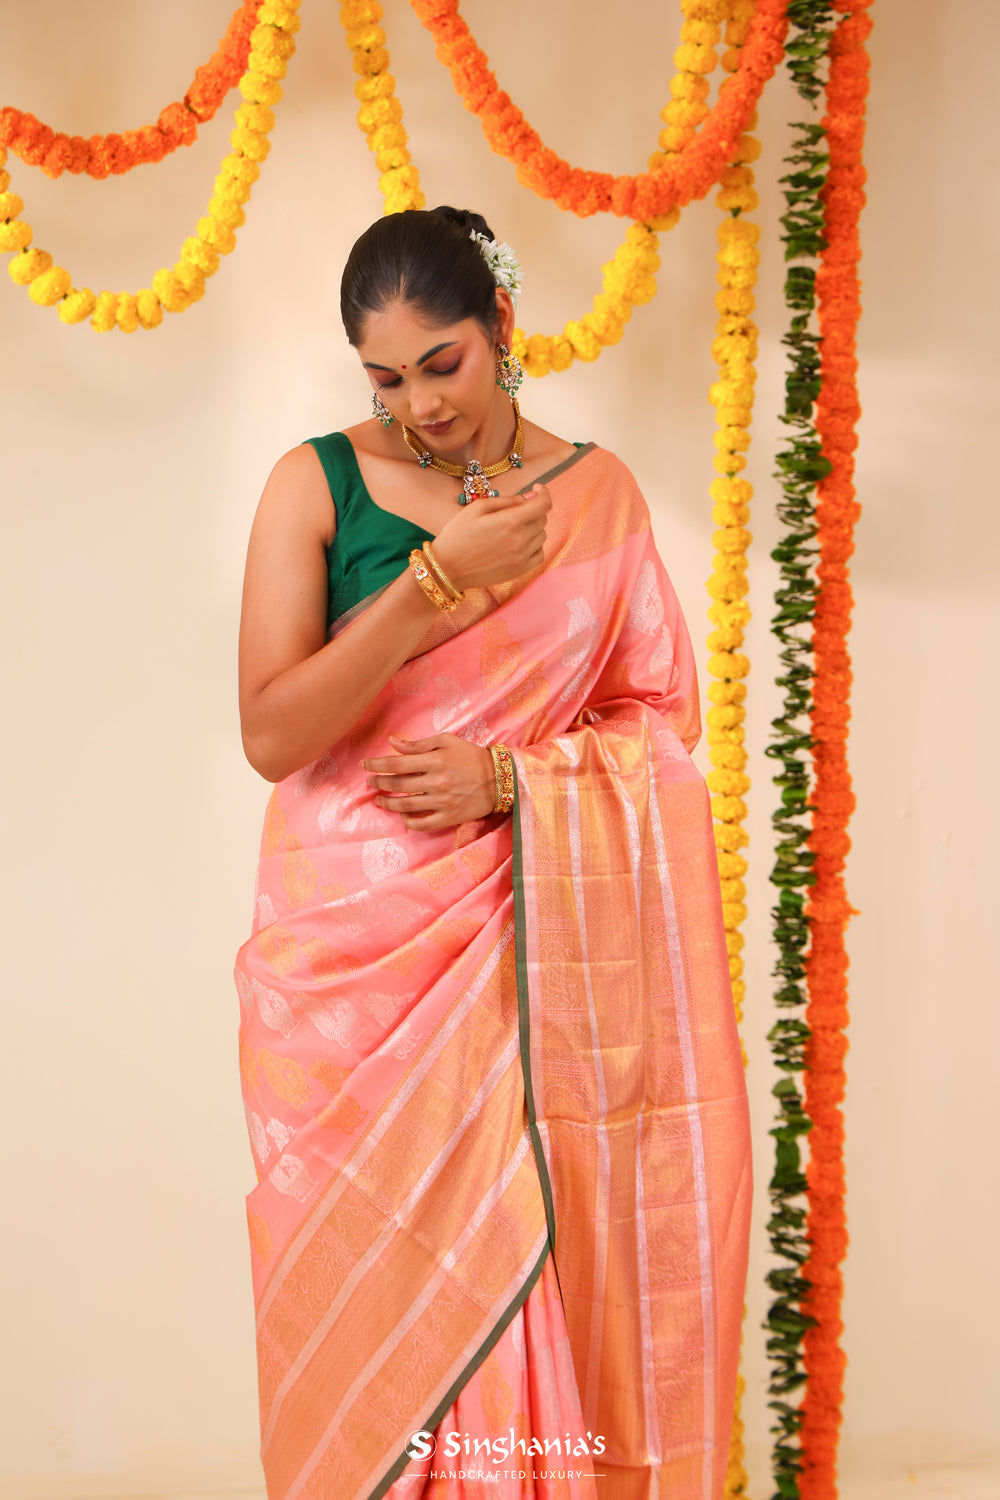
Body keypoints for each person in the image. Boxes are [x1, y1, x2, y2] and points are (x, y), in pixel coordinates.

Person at [235, 206, 752, 1500]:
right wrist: (431, 586)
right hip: (350, 964)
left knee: (523, 1244)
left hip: (527, 951)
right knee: (366, 1283)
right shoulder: (317, 481)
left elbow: (661, 737)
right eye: (387, 378)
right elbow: (272, 730)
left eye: (443, 363)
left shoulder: (599, 497)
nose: (420, 404)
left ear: (501, 328)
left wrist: (512, 779)